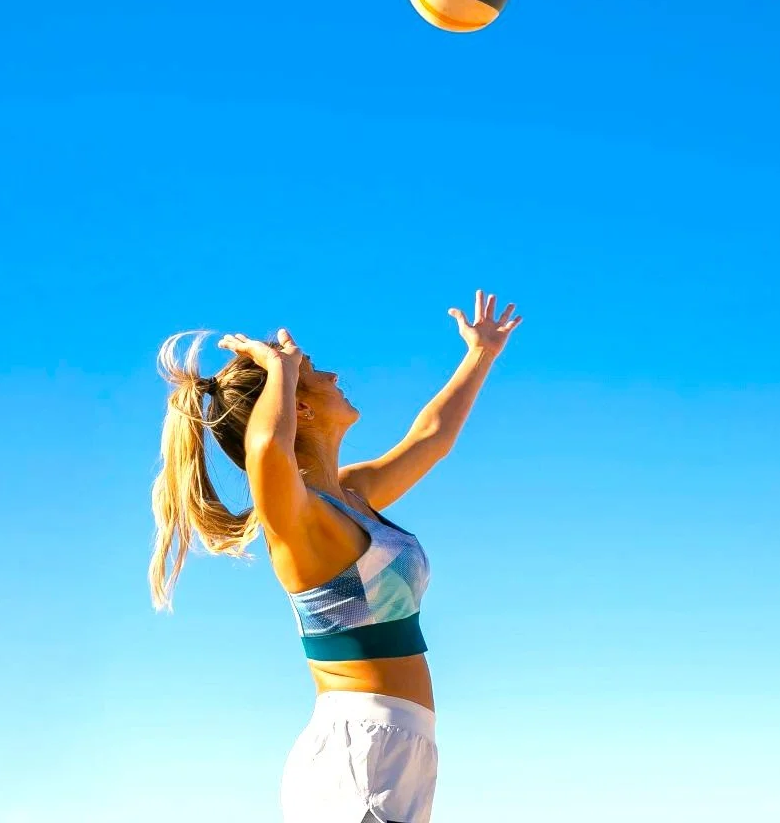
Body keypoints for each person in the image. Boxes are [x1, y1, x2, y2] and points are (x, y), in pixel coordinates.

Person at [149, 290, 523, 823]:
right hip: (358, 751)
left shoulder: (350, 495)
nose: (333, 375)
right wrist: (280, 369)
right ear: (297, 406)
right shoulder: (299, 522)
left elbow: (432, 438)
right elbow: (266, 453)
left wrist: (480, 354)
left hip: (401, 744)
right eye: (315, 372)